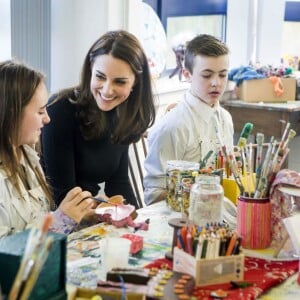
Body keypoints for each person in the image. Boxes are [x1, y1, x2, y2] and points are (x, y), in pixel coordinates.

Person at [41, 30, 156, 209]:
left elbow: (119, 183)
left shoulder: (123, 112)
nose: (107, 90)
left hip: (87, 210)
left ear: (136, 83)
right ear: (90, 71)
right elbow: (63, 196)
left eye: (120, 82)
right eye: (100, 77)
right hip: (56, 217)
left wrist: (138, 222)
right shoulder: (60, 109)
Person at [0, 60, 96, 238]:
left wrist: (78, 217)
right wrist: (62, 220)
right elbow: (7, 254)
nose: (47, 119)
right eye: (40, 111)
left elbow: (37, 221)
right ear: (12, 113)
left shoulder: (26, 155)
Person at [144, 34, 234, 205]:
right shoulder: (173, 126)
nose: (216, 83)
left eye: (222, 75)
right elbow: (154, 195)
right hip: (178, 219)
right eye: (207, 75)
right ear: (187, 74)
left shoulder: (225, 119)